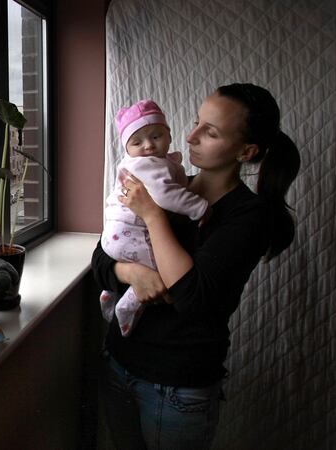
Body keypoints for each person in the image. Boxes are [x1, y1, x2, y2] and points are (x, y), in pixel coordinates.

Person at [92, 83, 300, 449]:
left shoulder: (247, 217)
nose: (191, 136)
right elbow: (102, 257)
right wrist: (133, 273)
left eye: (211, 131)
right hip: (119, 365)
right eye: (195, 122)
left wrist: (153, 216)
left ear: (246, 150)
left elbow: (191, 297)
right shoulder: (168, 184)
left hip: (178, 387)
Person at [100, 99, 208, 337]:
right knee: (158, 268)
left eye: (156, 136)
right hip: (124, 235)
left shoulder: (245, 213)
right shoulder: (148, 167)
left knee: (155, 266)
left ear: (168, 135)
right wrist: (200, 208)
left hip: (118, 238)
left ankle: (111, 293)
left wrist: (123, 273)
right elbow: (165, 194)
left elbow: (190, 294)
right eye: (137, 142)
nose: (148, 146)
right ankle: (127, 304)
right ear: (127, 148)